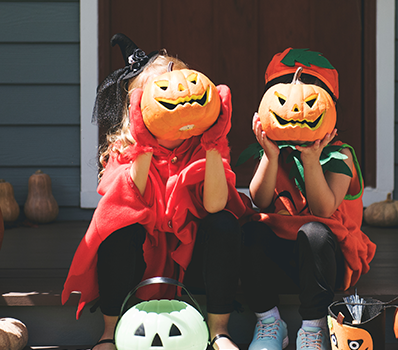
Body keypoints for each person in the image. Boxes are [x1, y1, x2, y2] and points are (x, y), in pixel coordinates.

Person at [62, 34, 248, 350]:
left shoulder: (204, 147)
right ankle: (110, 332)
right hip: (140, 265)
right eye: (165, 90)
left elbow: (216, 205)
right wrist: (145, 141)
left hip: (193, 264)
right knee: (117, 229)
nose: (179, 96)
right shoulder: (125, 149)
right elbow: (128, 202)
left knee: (224, 224)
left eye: (184, 84)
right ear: (141, 105)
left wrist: (214, 143)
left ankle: (220, 330)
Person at [240, 48, 376, 350]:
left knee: (314, 232)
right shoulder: (274, 154)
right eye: (283, 97)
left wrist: (312, 158)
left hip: (324, 262)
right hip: (282, 260)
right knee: (252, 230)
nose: (296, 108)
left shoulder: (340, 156)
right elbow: (260, 201)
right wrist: (271, 156)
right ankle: (269, 322)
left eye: (311, 100)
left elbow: (323, 209)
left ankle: (313, 328)